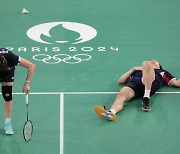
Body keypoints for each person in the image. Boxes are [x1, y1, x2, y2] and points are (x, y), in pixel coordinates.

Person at [94, 60, 180, 121]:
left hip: (150, 84)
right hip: (134, 85)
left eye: (155, 61)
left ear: (159, 66)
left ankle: (146, 97)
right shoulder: (137, 71)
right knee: (122, 94)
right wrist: (133, 70)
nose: (152, 60)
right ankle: (111, 112)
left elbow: (177, 83)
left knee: (146, 63)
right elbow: (121, 81)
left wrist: (147, 66)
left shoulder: (163, 72)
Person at [0, 48, 35, 134]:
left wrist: (27, 83)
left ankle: (8, 123)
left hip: (8, 72)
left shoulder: (11, 57)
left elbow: (31, 66)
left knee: (7, 95)